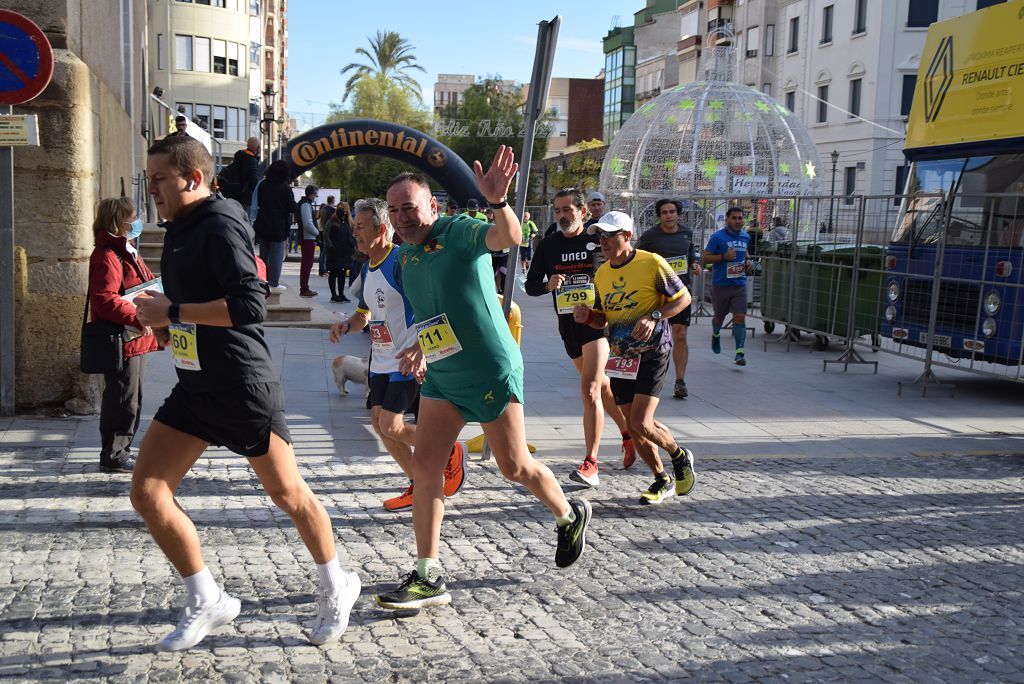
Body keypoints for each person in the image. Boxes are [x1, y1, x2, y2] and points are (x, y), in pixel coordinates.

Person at [132, 135, 358, 650]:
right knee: (147, 492)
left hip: (240, 384)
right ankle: (206, 597)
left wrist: (172, 313)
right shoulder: (178, 228)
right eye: (149, 180)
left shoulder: (221, 220)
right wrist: (164, 324)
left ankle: (336, 582)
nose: (153, 190)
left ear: (193, 178)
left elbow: (248, 305)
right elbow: (193, 305)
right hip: (195, 387)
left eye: (160, 179)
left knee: (287, 494)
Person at [375, 148, 592, 610]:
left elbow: (508, 237)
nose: (402, 217)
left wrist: (498, 202)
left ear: (432, 206)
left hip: (490, 369)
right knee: (427, 470)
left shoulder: (458, 231)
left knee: (514, 468)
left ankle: (569, 513)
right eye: (393, 210)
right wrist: (417, 345)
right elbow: (433, 313)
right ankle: (427, 573)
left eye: (409, 207)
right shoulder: (406, 259)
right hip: (443, 375)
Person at [329, 198, 467, 510]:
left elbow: (434, 303)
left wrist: (421, 348)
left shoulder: (402, 260)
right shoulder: (367, 268)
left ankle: (448, 452)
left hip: (406, 359)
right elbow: (365, 314)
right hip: (379, 361)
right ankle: (419, 484)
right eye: (353, 228)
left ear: (381, 230)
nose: (354, 234)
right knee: (381, 425)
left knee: (390, 425)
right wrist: (345, 325)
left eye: (360, 228)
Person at [574, 211, 697, 505]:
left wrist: (655, 316)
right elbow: (603, 319)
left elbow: (684, 299)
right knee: (634, 425)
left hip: (654, 351)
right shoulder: (602, 273)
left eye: (608, 235)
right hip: (622, 357)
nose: (602, 241)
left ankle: (678, 456)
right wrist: (588, 316)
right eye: (599, 236)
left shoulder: (651, 262)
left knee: (641, 422)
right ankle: (661, 479)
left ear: (626, 237)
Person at [525, 188, 635, 487]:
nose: (562, 216)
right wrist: (549, 285)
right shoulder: (548, 245)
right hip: (569, 326)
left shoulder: (596, 241)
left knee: (588, 390)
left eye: (568, 210)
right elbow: (531, 285)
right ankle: (629, 433)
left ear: (583, 212)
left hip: (597, 324)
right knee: (602, 386)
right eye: (558, 210)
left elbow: (622, 266)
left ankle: (591, 463)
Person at [88, 197, 160, 472]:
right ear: (121, 220)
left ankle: (122, 448)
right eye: (133, 216)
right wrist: (138, 316)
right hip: (122, 336)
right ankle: (114, 453)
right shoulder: (108, 254)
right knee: (122, 396)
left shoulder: (126, 250)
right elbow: (105, 299)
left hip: (134, 337)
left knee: (133, 396)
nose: (137, 220)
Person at [635, 199, 702, 399]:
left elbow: (692, 257)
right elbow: (637, 259)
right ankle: (646, 377)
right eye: (664, 212)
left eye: (672, 212)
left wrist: (695, 265)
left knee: (680, 335)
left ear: (678, 214)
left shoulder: (686, 233)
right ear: (659, 216)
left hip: (681, 294)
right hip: (656, 295)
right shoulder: (650, 237)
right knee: (652, 338)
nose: (669, 215)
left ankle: (680, 381)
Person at [703, 206, 753, 366]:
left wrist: (748, 261)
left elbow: (744, 253)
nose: (738, 221)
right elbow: (705, 258)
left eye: (740, 218)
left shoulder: (745, 236)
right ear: (727, 220)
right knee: (719, 317)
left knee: (740, 317)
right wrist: (723, 256)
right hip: (721, 284)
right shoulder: (717, 237)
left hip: (739, 284)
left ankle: (739, 353)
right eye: (734, 218)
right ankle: (716, 334)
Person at [252, 159, 296, 292]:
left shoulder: (263, 185)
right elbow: (291, 207)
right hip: (279, 227)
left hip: (263, 224)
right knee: (277, 256)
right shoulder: (285, 188)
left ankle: (263, 279)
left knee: (264, 255)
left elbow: (257, 202)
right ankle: (273, 282)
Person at [324, 201, 356, 303]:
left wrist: (353, 245)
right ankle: (334, 295)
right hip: (334, 252)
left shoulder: (348, 222)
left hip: (345, 252)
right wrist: (330, 246)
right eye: (340, 208)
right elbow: (326, 234)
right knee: (333, 273)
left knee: (342, 273)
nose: (342, 211)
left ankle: (341, 294)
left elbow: (352, 234)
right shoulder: (332, 220)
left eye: (344, 209)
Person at [297, 185, 320, 297]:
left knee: (307, 264)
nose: (316, 197)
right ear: (311, 194)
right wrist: (317, 232)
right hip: (308, 238)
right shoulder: (306, 205)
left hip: (307, 237)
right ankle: (304, 288)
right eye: (315, 194)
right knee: (307, 264)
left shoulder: (304, 204)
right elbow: (307, 223)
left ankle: (304, 287)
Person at [231, 137, 261, 211]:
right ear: (257, 148)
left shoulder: (240, 157)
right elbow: (254, 181)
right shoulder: (251, 160)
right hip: (246, 197)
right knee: (246, 220)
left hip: (235, 194)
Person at [317, 196, 337, 277]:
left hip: (322, 231)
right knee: (326, 252)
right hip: (329, 232)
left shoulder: (323, 209)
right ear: (333, 201)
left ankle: (321, 270)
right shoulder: (332, 210)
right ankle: (325, 270)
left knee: (322, 252)